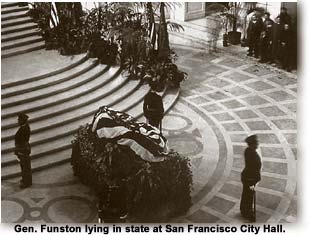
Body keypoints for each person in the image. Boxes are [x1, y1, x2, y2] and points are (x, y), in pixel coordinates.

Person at [240, 135, 262, 222]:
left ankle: (244, 209)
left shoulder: (249, 151)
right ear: (252, 144)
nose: (257, 144)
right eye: (256, 143)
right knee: (249, 195)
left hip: (248, 177)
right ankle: (247, 212)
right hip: (250, 179)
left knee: (247, 193)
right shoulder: (251, 153)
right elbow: (253, 167)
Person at [15, 113, 32, 188]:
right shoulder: (25, 127)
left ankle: (27, 182)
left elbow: (22, 140)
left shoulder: (24, 129)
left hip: (23, 149)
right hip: (23, 148)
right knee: (24, 165)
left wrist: (18, 149)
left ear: (22, 121)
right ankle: (26, 179)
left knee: (25, 166)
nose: (18, 121)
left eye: (19, 120)